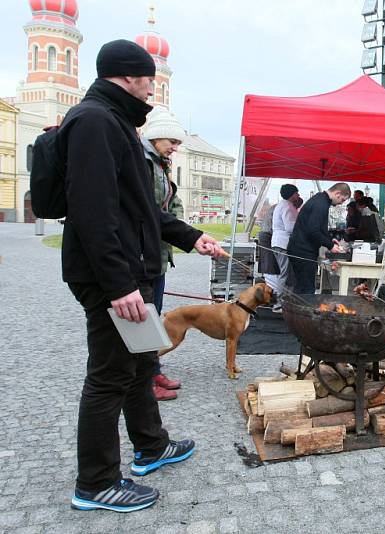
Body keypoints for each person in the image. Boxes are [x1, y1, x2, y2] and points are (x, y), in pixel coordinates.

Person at [60, 40, 222, 513]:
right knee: (109, 376)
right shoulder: (94, 121)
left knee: (139, 365)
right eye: (149, 80)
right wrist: (119, 287)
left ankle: (151, 446)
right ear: (130, 76)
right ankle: (95, 483)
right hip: (117, 279)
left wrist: (193, 237)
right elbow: (94, 214)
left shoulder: (115, 123)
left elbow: (141, 210)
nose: (152, 89)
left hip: (133, 272)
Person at [141, 106, 186, 402]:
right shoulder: (141, 162)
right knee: (144, 319)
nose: (175, 147)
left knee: (153, 317)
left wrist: (178, 225)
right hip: (143, 255)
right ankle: (143, 382)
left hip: (158, 254)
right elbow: (148, 212)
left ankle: (152, 369)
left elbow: (173, 204)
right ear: (157, 136)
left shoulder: (161, 164)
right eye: (172, 140)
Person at [287, 182, 350, 294]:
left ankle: (297, 309)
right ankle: (303, 310)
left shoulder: (320, 200)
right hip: (302, 250)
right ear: (338, 193)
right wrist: (330, 246)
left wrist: (329, 240)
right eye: (342, 200)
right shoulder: (321, 204)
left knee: (302, 286)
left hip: (300, 248)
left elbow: (318, 227)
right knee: (306, 289)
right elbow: (313, 230)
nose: (341, 203)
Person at [272, 184, 301, 306]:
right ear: (292, 194)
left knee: (284, 273)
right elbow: (290, 227)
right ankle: (278, 302)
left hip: (279, 242)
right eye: (296, 193)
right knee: (284, 274)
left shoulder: (282, 205)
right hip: (283, 243)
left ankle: (282, 300)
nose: (298, 196)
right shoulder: (288, 206)